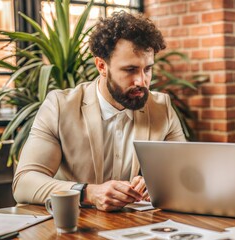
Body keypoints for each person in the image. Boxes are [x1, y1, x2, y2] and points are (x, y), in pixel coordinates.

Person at [13, 11, 186, 211]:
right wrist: (88, 193)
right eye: (130, 70)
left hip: (138, 228)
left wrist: (156, 182)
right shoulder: (59, 106)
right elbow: (24, 182)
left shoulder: (161, 107)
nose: (142, 81)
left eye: (147, 69)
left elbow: (183, 172)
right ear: (101, 66)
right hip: (75, 228)